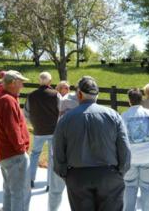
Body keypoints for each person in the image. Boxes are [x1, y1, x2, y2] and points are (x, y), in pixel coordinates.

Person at [53, 76, 131, 211]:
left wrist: (65, 174)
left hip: (78, 176)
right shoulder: (113, 115)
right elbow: (124, 147)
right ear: (97, 95)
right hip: (109, 174)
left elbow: (58, 150)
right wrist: (121, 171)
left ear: (79, 94)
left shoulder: (66, 119)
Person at [122, 88, 149, 211]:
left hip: (131, 157)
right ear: (142, 100)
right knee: (147, 187)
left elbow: (120, 138)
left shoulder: (124, 116)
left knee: (129, 186)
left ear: (129, 101)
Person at [0, 70, 31, 211]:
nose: (22, 85)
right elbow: (12, 129)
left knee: (10, 192)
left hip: (7, 154)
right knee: (20, 194)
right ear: (13, 83)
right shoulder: (8, 100)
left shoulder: (6, 98)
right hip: (15, 155)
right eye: (21, 82)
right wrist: (21, 149)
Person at [24, 71, 59, 191]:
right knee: (52, 156)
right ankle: (50, 183)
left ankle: (31, 179)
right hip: (53, 129)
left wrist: (33, 123)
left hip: (38, 130)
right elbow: (60, 111)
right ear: (50, 81)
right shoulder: (56, 94)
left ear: (39, 81)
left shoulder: (31, 95)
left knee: (34, 154)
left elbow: (26, 113)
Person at [49, 81, 79, 211]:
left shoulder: (61, 120)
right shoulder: (82, 119)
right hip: (76, 161)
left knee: (56, 191)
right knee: (78, 194)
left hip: (61, 159)